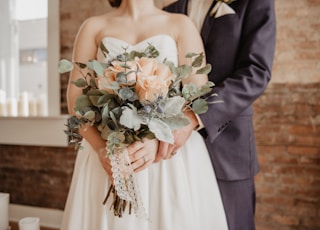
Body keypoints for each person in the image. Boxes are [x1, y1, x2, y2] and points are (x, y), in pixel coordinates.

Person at [61, 0, 229, 229]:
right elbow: (75, 101)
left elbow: (197, 97)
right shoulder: (93, 27)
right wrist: (102, 148)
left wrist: (156, 139)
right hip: (110, 153)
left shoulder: (181, 24)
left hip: (168, 158)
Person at [159, 0, 276, 229]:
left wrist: (194, 116)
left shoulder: (255, 3)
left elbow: (256, 72)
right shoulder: (169, 11)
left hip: (227, 146)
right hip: (172, 154)